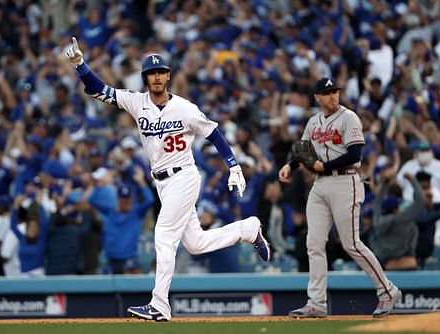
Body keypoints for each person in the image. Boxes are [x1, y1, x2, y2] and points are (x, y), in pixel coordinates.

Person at [65, 37, 270, 322]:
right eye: (152, 73)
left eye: (161, 72)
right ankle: (247, 230)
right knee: (196, 243)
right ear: (145, 78)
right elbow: (100, 90)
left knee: (162, 235)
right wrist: (80, 66)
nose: (157, 77)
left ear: (168, 75)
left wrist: (233, 164)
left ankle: (160, 304)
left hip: (184, 177)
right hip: (161, 183)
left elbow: (213, 133)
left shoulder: (184, 107)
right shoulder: (137, 103)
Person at [278, 77, 401, 318]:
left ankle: (387, 291)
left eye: (335, 92)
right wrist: (290, 167)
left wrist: (322, 166)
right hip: (321, 184)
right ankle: (316, 302)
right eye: (327, 93)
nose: (333, 96)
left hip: (347, 180)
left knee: (351, 244)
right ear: (318, 97)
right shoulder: (313, 122)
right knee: (313, 243)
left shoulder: (349, 117)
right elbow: (304, 150)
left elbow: (355, 153)